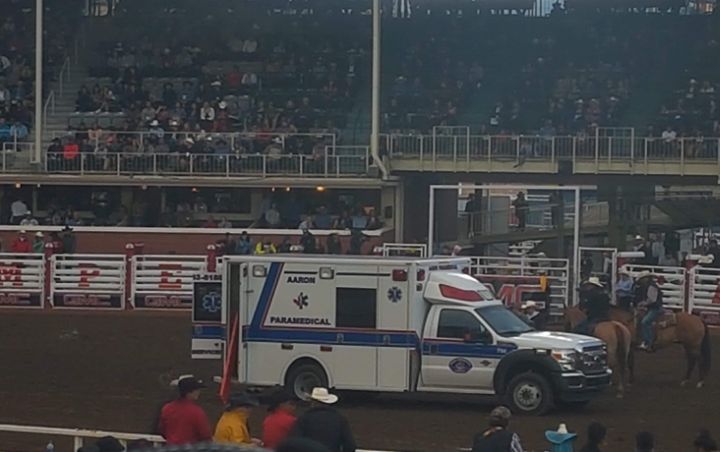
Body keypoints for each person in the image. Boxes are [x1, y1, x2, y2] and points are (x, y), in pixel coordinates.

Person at [290, 388, 355, 452]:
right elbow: (350, 446)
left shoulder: (304, 419)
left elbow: (295, 443)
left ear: (313, 403)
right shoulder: (340, 419)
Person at [158, 376, 212, 445]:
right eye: (196, 389)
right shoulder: (197, 412)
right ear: (189, 392)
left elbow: (162, 430)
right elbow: (206, 436)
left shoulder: (167, 408)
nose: (199, 392)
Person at [635, 272, 663, 351]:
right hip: (652, 308)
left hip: (655, 308)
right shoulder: (649, 286)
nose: (642, 281)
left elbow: (652, 300)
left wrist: (643, 303)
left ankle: (648, 342)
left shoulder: (651, 286)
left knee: (645, 322)